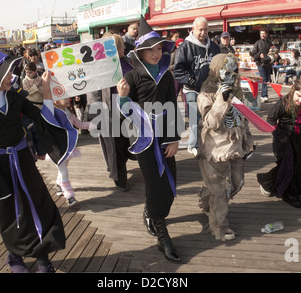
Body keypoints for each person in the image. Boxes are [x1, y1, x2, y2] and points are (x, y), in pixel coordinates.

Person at [0, 39, 78, 273]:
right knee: (10, 213)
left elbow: (39, 116)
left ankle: (43, 258)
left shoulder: (14, 98)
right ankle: (15, 257)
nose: (11, 77)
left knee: (38, 204)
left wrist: (46, 90)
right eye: (6, 74)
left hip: (23, 159)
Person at [116, 16, 183, 261]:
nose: (156, 54)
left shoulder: (166, 75)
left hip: (165, 136)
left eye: (159, 49)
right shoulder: (132, 77)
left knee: (170, 183)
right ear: (140, 52)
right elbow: (124, 113)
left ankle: (150, 211)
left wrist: (174, 139)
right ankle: (162, 236)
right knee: (155, 184)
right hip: (143, 138)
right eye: (151, 50)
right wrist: (122, 97)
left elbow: (173, 107)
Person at [197, 53, 254, 241]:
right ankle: (219, 228)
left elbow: (243, 120)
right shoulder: (206, 93)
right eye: (226, 72)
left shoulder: (237, 90)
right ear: (216, 71)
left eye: (234, 71)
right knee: (222, 191)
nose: (231, 76)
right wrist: (221, 98)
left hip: (235, 146)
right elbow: (211, 122)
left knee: (237, 184)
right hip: (216, 149)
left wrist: (248, 143)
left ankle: (207, 199)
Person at [257, 77, 301, 208]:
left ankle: (292, 191)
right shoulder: (283, 103)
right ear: (293, 90)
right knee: (287, 166)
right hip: (284, 137)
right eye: (299, 96)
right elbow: (271, 119)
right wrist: (281, 135)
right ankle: (274, 186)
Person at [89, 32, 134, 191]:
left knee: (125, 144)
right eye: (121, 46)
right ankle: (119, 178)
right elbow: (93, 91)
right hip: (109, 112)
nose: (124, 48)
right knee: (114, 147)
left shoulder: (128, 61)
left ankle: (120, 169)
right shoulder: (100, 67)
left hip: (128, 110)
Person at [174, 16, 220, 156]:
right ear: (193, 29)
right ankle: (192, 144)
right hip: (192, 89)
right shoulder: (185, 47)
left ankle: (208, 143)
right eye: (200, 29)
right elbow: (178, 70)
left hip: (209, 89)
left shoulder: (213, 46)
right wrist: (189, 79)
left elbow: (219, 64)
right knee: (194, 118)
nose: (203, 32)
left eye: (206, 30)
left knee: (210, 118)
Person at [52, 97, 93, 206]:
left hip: (68, 147)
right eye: (63, 98)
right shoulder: (53, 114)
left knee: (63, 169)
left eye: (67, 97)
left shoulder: (69, 113)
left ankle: (58, 184)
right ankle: (70, 196)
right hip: (57, 148)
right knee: (64, 171)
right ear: (55, 101)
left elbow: (80, 125)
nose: (67, 99)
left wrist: (92, 125)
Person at [22, 62, 46, 160]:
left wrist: (36, 87)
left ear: (35, 71)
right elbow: (26, 92)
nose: (28, 74)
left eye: (30, 72)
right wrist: (36, 86)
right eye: (27, 72)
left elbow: (43, 91)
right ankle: (32, 153)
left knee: (38, 131)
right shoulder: (24, 80)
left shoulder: (40, 79)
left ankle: (41, 153)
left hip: (39, 107)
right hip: (28, 107)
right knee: (29, 132)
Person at [250, 28, 273, 103]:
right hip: (261, 64)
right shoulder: (257, 43)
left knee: (266, 80)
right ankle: (264, 96)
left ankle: (264, 95)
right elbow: (253, 55)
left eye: (263, 33)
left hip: (268, 64)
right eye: (261, 33)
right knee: (264, 80)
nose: (262, 35)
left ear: (266, 34)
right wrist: (259, 55)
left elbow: (274, 51)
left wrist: (273, 52)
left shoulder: (269, 42)